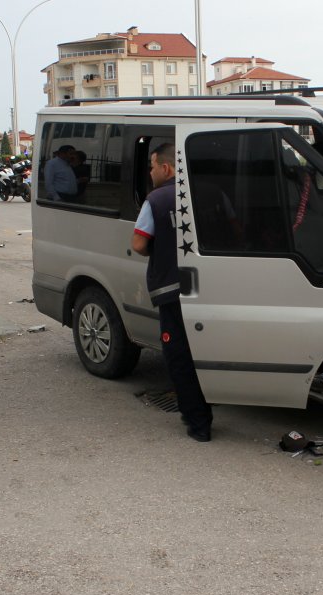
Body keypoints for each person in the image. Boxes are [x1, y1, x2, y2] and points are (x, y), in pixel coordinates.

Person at [130, 143, 213, 442]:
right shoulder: (210, 190)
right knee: (211, 351)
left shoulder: (156, 199)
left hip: (172, 290)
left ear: (165, 168)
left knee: (180, 357)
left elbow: (139, 244)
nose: (150, 172)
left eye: (152, 166)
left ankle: (198, 423)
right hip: (213, 288)